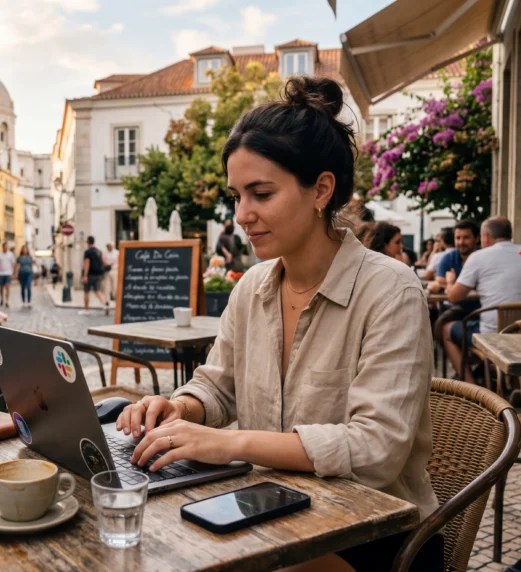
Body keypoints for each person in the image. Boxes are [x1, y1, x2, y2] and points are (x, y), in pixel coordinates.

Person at [114, 77, 440, 571]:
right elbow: (218, 389)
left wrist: (230, 443)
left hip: (374, 535)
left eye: (260, 193)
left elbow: (376, 449)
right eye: (237, 196)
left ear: (321, 190)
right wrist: (178, 407)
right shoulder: (253, 287)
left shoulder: (390, 290)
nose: (242, 215)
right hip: (270, 509)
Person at [443, 216, 521, 377]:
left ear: (485, 237)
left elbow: (453, 297)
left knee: (446, 330)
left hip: (493, 336)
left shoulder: (478, 257)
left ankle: (472, 389)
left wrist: (449, 281)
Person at [426, 220, 479, 295]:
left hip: (483, 306)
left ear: (476, 238)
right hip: (454, 304)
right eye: (458, 238)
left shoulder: (484, 257)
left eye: (466, 238)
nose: (461, 242)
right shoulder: (449, 257)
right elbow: (440, 280)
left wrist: (451, 283)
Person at [81, 236, 109, 316]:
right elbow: (104, 262)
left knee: (86, 292)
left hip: (90, 274)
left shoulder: (88, 252)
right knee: (97, 291)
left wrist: (85, 275)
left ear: (88, 242)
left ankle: (86, 309)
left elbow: (87, 263)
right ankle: (105, 304)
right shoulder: (99, 251)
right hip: (98, 274)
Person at [0, 241, 16, 309]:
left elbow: (13, 264)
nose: (5, 248)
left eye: (7, 246)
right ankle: (2, 298)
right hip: (1, 273)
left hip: (8, 273)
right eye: (4, 246)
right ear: (3, 247)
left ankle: (7, 301)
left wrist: (13, 273)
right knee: (1, 288)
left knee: (8, 287)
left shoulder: (11, 254)